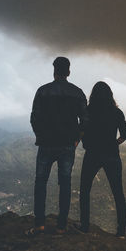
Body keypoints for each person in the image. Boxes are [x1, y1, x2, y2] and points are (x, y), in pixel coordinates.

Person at [26, 56, 88, 235]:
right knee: (65, 183)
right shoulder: (77, 93)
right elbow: (85, 120)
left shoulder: (43, 91)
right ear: (68, 71)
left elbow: (34, 118)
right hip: (67, 144)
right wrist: (77, 139)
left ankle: (39, 224)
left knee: (40, 182)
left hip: (46, 143)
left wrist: (40, 135)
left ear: (54, 70)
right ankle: (61, 227)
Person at [76, 81, 126, 238]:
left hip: (92, 153)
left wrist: (85, 142)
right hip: (112, 154)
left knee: (84, 190)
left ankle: (84, 226)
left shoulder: (88, 111)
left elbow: (81, 131)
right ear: (110, 95)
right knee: (118, 192)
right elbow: (125, 134)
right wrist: (114, 143)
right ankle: (121, 232)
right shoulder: (117, 112)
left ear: (93, 95)